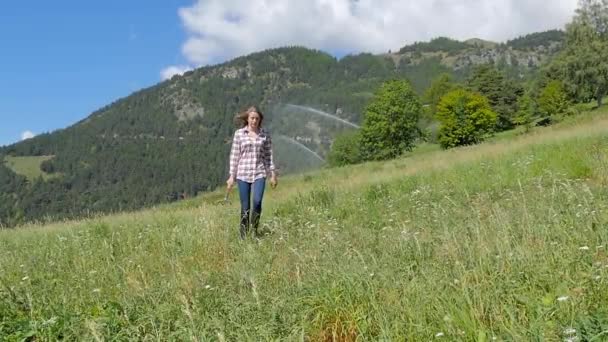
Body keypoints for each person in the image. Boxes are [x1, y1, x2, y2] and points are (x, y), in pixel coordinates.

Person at [227, 105, 278, 239]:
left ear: (260, 120)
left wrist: (272, 174)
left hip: (259, 173)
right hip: (242, 174)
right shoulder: (239, 134)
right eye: (252, 118)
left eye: (257, 118)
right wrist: (232, 176)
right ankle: (243, 235)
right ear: (247, 119)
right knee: (245, 207)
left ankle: (254, 231)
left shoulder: (265, 134)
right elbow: (234, 155)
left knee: (257, 202)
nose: (254, 121)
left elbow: (269, 155)